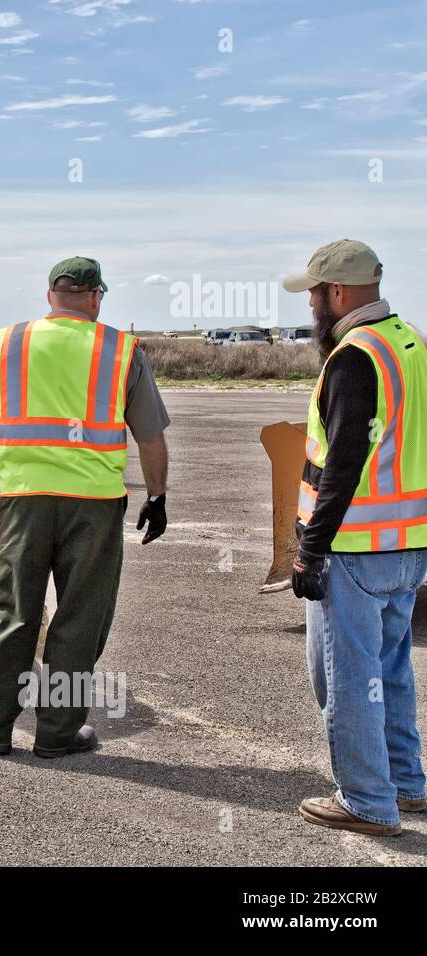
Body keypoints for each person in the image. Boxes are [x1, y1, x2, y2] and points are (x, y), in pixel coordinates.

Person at [0, 257, 170, 758]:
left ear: (50, 295)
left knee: (14, 611)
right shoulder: (122, 350)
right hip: (94, 505)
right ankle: (56, 732)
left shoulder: (8, 343)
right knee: (79, 617)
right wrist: (157, 496)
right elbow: (150, 437)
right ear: (96, 297)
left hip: (25, 500)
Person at [284, 240, 427, 838]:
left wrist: (310, 550)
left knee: (345, 676)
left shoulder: (354, 357)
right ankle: (405, 783)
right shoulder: (411, 344)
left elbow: (343, 462)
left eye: (314, 293)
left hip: (355, 548)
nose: (310, 304)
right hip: (408, 545)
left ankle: (367, 800)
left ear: (337, 292)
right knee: (389, 668)